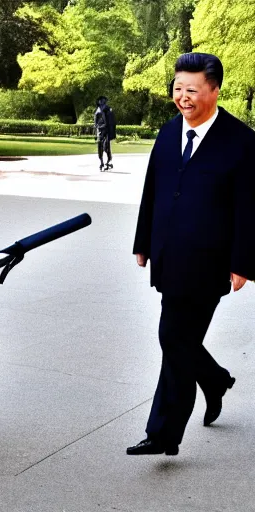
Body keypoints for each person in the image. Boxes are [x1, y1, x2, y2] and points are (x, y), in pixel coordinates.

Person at [127, 52, 255, 456]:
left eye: (192, 90)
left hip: (210, 261)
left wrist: (243, 263)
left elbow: (250, 208)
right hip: (168, 255)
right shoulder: (168, 133)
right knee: (179, 340)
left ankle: (164, 433)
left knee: (173, 337)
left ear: (215, 90)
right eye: (178, 88)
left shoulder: (242, 142)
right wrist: (142, 241)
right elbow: (153, 190)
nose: (183, 97)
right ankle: (214, 380)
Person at [94, 96, 116, 171]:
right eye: (100, 100)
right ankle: (101, 162)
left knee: (106, 146)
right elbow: (95, 121)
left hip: (106, 131)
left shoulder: (108, 109)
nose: (101, 101)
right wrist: (96, 127)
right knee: (100, 146)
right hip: (100, 130)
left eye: (102, 100)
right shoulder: (98, 109)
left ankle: (108, 160)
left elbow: (111, 121)